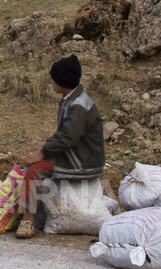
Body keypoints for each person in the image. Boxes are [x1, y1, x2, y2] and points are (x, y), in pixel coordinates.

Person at [15, 55, 105, 239]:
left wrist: (41, 154)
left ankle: (28, 220)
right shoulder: (72, 99)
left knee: (35, 170)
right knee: (35, 165)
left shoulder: (78, 105)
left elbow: (67, 138)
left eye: (53, 78)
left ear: (63, 81)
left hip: (81, 159)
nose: (51, 82)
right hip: (77, 153)